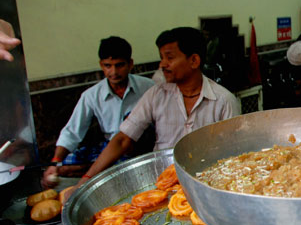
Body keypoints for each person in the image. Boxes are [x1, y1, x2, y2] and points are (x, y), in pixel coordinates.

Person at [74, 27, 240, 189]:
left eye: (169, 58)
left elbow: (234, 153)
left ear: (194, 61)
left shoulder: (224, 101)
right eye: (162, 58)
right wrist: (86, 180)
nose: (162, 64)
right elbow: (123, 139)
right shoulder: (156, 95)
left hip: (205, 185)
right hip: (162, 184)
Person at [41, 37, 155, 188]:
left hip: (139, 148)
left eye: (119, 65)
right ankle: (97, 168)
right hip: (108, 147)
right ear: (101, 65)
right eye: (108, 66)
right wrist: (55, 162)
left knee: (122, 166)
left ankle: (94, 169)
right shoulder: (91, 95)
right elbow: (72, 132)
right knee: (64, 165)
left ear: (130, 64)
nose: (114, 72)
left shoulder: (149, 87)